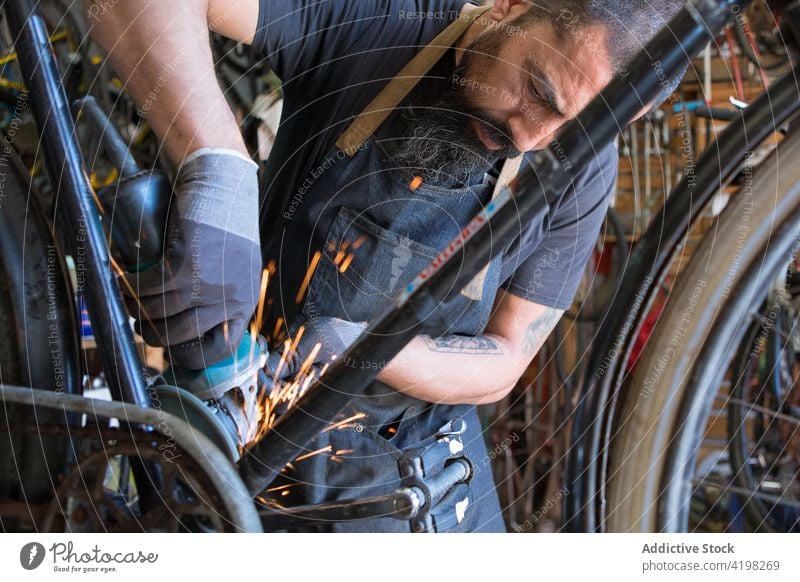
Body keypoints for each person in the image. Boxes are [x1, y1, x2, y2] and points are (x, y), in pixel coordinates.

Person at [89, 0, 685, 531]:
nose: (532, 137)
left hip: (438, 483)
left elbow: (507, 359)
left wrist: (374, 349)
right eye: (539, 90)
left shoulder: (583, 165)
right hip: (261, 462)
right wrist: (217, 164)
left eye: (573, 130)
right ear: (509, 6)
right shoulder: (382, 20)